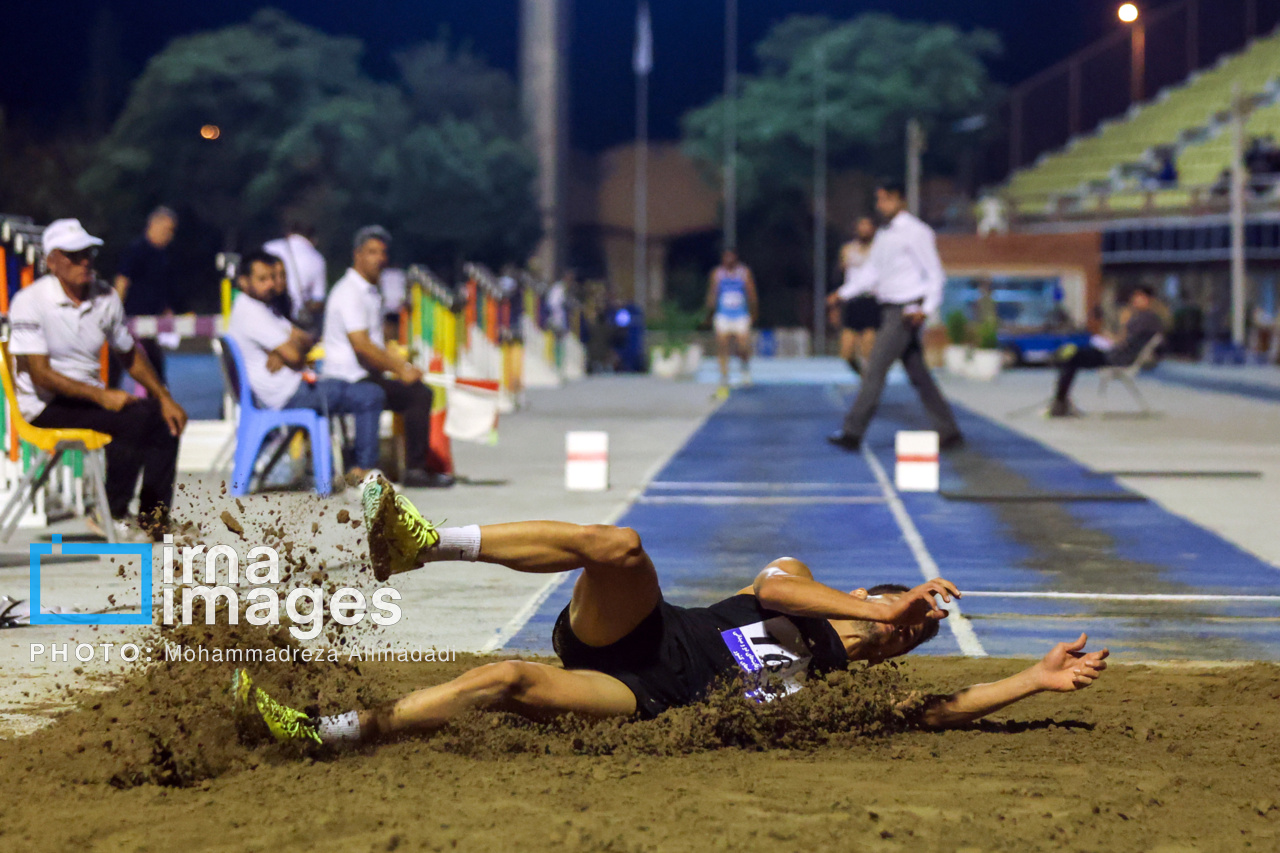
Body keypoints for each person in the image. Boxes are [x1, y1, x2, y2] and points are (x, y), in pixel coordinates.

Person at [232, 474, 1109, 745]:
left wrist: (1034, 676)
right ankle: (423, 543)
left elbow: (938, 710)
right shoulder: (806, 583)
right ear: (880, 595)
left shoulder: (841, 687)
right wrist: (882, 607)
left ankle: (330, 732)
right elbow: (772, 590)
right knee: (619, 545)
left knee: (502, 678)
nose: (912, 629)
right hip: (644, 630)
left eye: (918, 635)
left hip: (646, 697)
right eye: (911, 614)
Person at [10, 219, 187, 540]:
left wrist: (164, 396)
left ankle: (154, 518)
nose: (84, 261)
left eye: (88, 253)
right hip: (44, 404)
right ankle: (110, 511)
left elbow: (130, 354)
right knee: (130, 419)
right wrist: (102, 396)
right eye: (73, 255)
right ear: (51, 261)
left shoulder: (105, 296)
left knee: (164, 419)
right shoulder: (30, 302)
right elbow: (40, 374)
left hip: (88, 398)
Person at [227, 249, 386, 482]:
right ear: (243, 281)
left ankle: (354, 467)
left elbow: (305, 338)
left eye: (273, 277)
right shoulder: (250, 312)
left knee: (360, 390)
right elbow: (296, 353)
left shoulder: (263, 307)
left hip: (295, 386)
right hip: (288, 395)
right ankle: (364, 471)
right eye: (263, 279)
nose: (271, 284)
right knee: (370, 394)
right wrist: (289, 351)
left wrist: (284, 351)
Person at [828, 181, 963, 453]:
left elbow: (935, 274)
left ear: (898, 199)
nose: (880, 206)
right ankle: (949, 430)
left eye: (884, 200)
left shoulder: (917, 232)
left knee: (875, 370)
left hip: (905, 312)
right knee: (919, 376)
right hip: (888, 309)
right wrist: (843, 293)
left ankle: (852, 432)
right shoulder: (885, 235)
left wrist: (926, 309)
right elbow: (871, 273)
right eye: (878, 201)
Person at [321, 226, 453, 488]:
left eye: (382, 253)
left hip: (365, 374)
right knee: (414, 393)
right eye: (371, 252)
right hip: (348, 378)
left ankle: (415, 468)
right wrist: (401, 368)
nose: (379, 258)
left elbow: (376, 343)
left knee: (419, 393)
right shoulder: (349, 291)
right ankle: (368, 467)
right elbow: (361, 345)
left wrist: (399, 363)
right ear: (356, 255)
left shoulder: (370, 291)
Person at [1048, 285, 1163, 417]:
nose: (1134, 301)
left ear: (1148, 299)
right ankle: (1060, 400)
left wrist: (1119, 330)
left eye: (1139, 298)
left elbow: (1125, 341)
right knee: (1073, 354)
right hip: (1115, 353)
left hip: (1117, 357)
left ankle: (1060, 401)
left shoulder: (1147, 319)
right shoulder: (1141, 318)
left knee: (1073, 356)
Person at [113, 206, 178, 383]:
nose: (170, 235)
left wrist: (166, 309)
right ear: (153, 225)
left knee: (155, 371)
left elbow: (160, 287)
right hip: (130, 319)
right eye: (167, 230)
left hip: (152, 322)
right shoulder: (136, 249)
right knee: (116, 366)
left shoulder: (163, 254)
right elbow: (122, 282)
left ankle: (157, 404)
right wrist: (116, 313)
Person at [826, 216, 880, 376]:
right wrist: (835, 305)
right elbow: (840, 278)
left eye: (867, 226)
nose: (864, 229)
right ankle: (863, 376)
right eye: (861, 225)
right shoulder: (848, 250)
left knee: (867, 348)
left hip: (871, 300)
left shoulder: (878, 250)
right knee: (846, 352)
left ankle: (869, 381)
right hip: (851, 302)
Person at [703, 249, 758, 399]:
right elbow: (713, 293)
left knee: (743, 346)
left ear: (736, 258)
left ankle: (745, 368)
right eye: (726, 257)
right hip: (723, 315)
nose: (729, 260)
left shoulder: (744, 272)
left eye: (731, 257)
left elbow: (751, 293)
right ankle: (724, 376)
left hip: (740, 314)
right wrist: (709, 313)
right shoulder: (718, 273)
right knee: (722, 345)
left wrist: (753, 313)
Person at [263, 224, 327, 333]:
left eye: (282, 275)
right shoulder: (317, 259)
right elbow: (318, 301)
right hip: (292, 320)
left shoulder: (269, 247)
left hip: (269, 315)